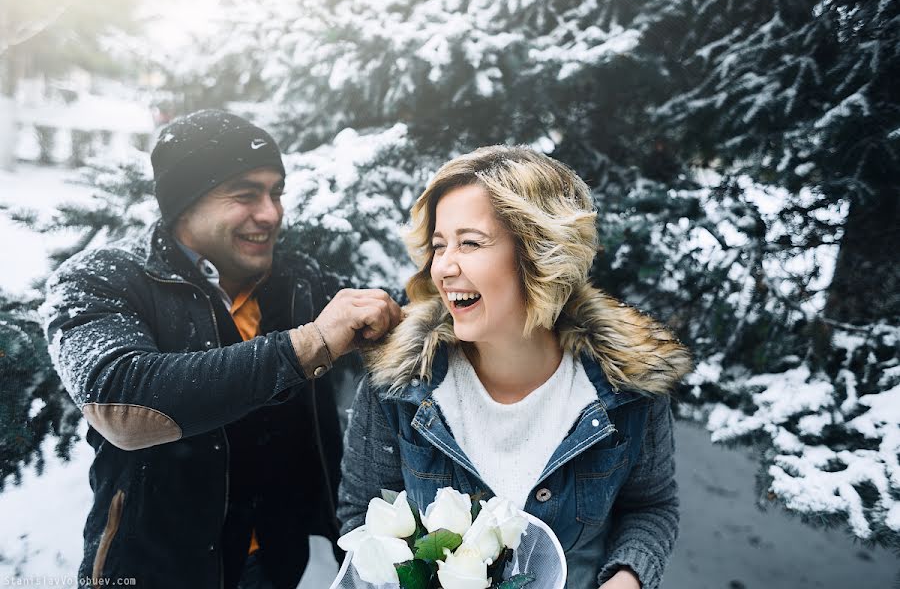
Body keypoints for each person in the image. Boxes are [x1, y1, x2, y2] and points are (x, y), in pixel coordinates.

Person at [41, 110, 402, 589]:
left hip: (277, 561)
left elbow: (397, 320)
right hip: (158, 570)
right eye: (245, 194)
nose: (270, 213)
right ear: (184, 205)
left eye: (276, 192)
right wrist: (309, 343)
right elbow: (122, 401)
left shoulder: (298, 281)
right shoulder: (99, 279)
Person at [337, 146, 691, 589]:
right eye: (439, 245)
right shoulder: (399, 385)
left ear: (539, 253)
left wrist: (627, 576)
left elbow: (650, 507)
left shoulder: (628, 389)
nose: (443, 266)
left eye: (470, 242)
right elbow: (362, 515)